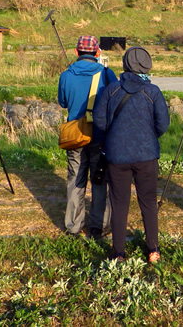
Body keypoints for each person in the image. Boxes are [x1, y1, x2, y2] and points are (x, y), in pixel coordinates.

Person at [93, 47, 170, 264]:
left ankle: (118, 252)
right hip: (146, 155)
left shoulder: (111, 90)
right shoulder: (152, 91)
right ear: (147, 66)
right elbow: (163, 124)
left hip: (117, 156)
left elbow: (99, 122)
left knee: (119, 203)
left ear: (125, 64)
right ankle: (153, 249)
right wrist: (148, 136)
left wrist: (113, 134)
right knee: (148, 202)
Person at [58, 35, 116, 238]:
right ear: (97, 53)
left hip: (75, 136)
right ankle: (98, 226)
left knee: (75, 179)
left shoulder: (66, 75)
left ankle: (73, 226)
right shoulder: (107, 74)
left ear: (76, 52)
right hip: (100, 135)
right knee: (99, 179)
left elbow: (63, 102)